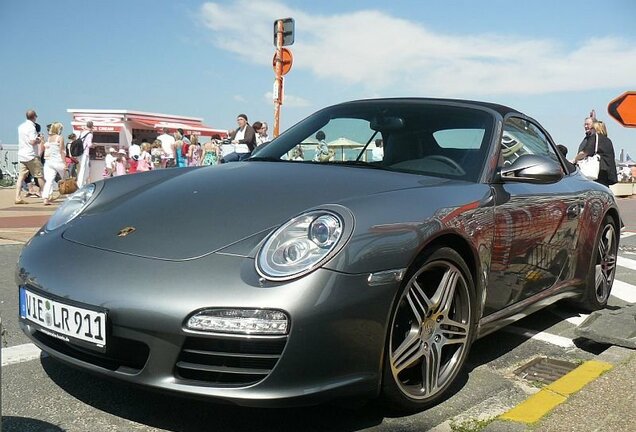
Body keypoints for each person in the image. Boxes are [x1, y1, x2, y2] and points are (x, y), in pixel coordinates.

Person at [574, 120, 617, 187]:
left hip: (597, 171)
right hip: (606, 173)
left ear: (595, 128)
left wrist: (575, 159)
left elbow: (585, 152)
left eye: (592, 128)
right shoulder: (608, 140)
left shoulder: (594, 137)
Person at [15, 110, 45, 204]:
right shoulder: (32, 127)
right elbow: (32, 142)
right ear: (34, 117)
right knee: (39, 175)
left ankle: (17, 197)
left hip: (22, 154)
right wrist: (39, 139)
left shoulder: (21, 127)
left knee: (21, 177)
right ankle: (46, 196)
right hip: (31, 155)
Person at [42, 122, 66, 205]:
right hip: (58, 161)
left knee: (49, 181)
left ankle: (45, 198)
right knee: (66, 180)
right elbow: (62, 151)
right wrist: (65, 163)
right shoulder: (60, 138)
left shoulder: (49, 138)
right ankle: (72, 197)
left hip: (49, 162)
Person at [76, 121, 94, 188]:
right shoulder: (90, 134)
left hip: (80, 153)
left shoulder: (82, 132)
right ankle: (80, 184)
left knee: (84, 168)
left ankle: (83, 183)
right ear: (92, 126)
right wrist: (94, 145)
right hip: (85, 153)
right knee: (83, 169)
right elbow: (89, 145)